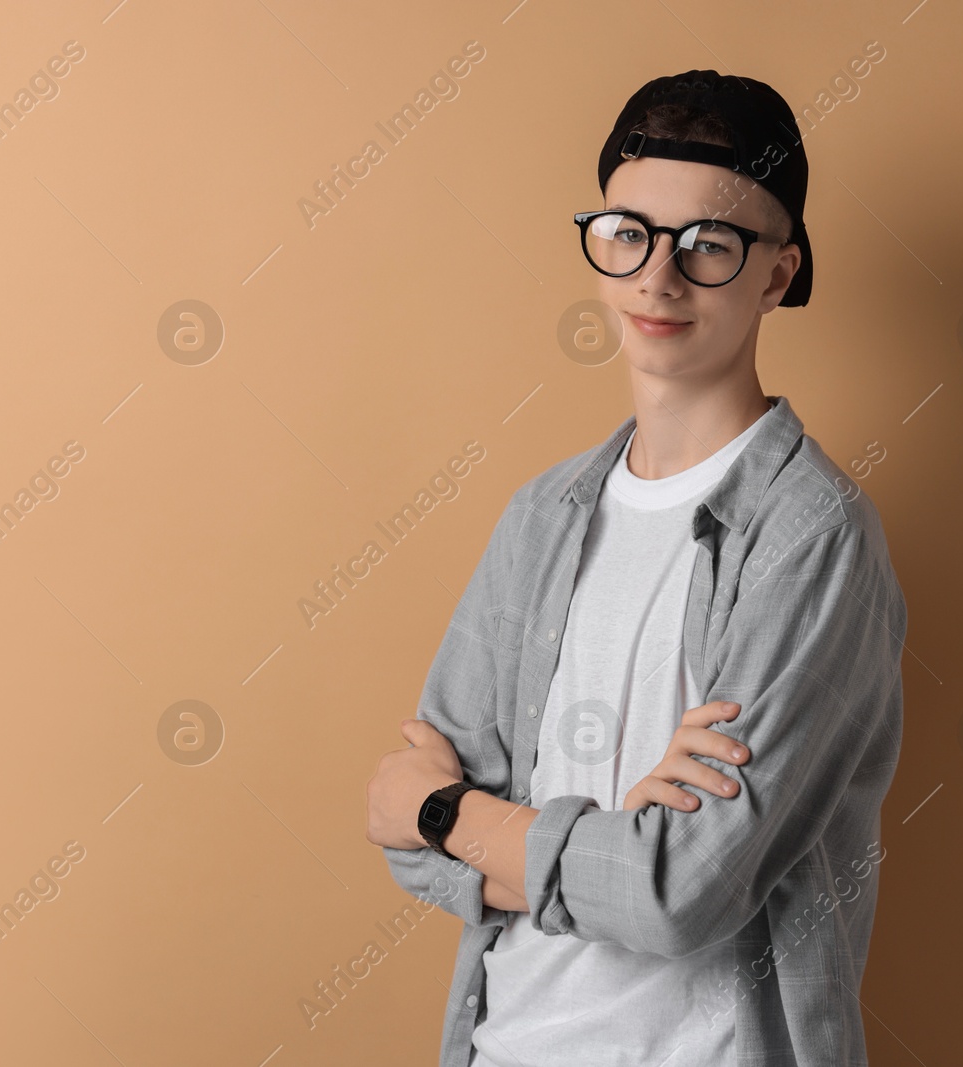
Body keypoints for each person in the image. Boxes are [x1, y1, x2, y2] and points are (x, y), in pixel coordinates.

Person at [366, 69, 908, 1066]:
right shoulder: (541, 517)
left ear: (777, 273)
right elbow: (403, 847)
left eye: (708, 245)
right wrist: (596, 839)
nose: (657, 280)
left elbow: (680, 891)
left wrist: (453, 813)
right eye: (628, 233)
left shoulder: (811, 536)